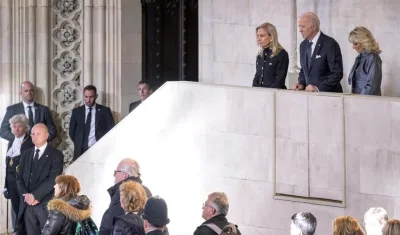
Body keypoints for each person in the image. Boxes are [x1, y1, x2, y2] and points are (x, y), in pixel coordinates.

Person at [16, 123, 64, 235]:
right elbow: (19, 178)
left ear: (46, 136)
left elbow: (53, 178)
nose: (34, 136)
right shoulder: (26, 154)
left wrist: (35, 196)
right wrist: (26, 195)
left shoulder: (56, 155)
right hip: (27, 204)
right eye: (32, 134)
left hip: (44, 204)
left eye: (38, 133)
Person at [293, 12, 343, 92]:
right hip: (309, 96)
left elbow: (336, 73)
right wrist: (301, 84)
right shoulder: (303, 45)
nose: (300, 30)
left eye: (303, 26)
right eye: (299, 26)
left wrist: (318, 88)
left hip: (328, 96)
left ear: (314, 27)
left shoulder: (330, 44)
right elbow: (304, 70)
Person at [99, 159, 152, 235]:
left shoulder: (122, 190)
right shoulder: (147, 191)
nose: (114, 175)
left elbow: (109, 222)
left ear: (125, 175)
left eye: (116, 172)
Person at [3, 114, 34, 232]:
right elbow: (7, 166)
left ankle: (23, 231)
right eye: (14, 126)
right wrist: (5, 186)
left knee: (24, 209)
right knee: (16, 208)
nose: (16, 129)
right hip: (11, 182)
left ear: (25, 127)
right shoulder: (11, 142)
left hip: (23, 182)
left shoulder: (30, 142)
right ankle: (18, 229)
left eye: (19, 126)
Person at [69, 85, 115, 161]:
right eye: (86, 97)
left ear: (96, 96)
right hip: (80, 151)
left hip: (98, 151)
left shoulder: (104, 111)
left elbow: (111, 131)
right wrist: (79, 143)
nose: (88, 100)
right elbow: (72, 132)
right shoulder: (77, 112)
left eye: (91, 97)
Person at [252, 22, 289, 89]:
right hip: (260, 95)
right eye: (258, 36)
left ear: (271, 38)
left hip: (275, 95)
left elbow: (279, 81)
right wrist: (255, 91)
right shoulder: (260, 55)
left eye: (262, 36)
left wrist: (267, 94)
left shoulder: (282, 54)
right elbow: (257, 76)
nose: (258, 39)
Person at [348, 26, 382, 95]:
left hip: (368, 102)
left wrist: (360, 100)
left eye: (355, 44)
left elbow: (372, 85)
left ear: (364, 42)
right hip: (360, 100)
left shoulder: (373, 58)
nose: (353, 47)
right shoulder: (360, 57)